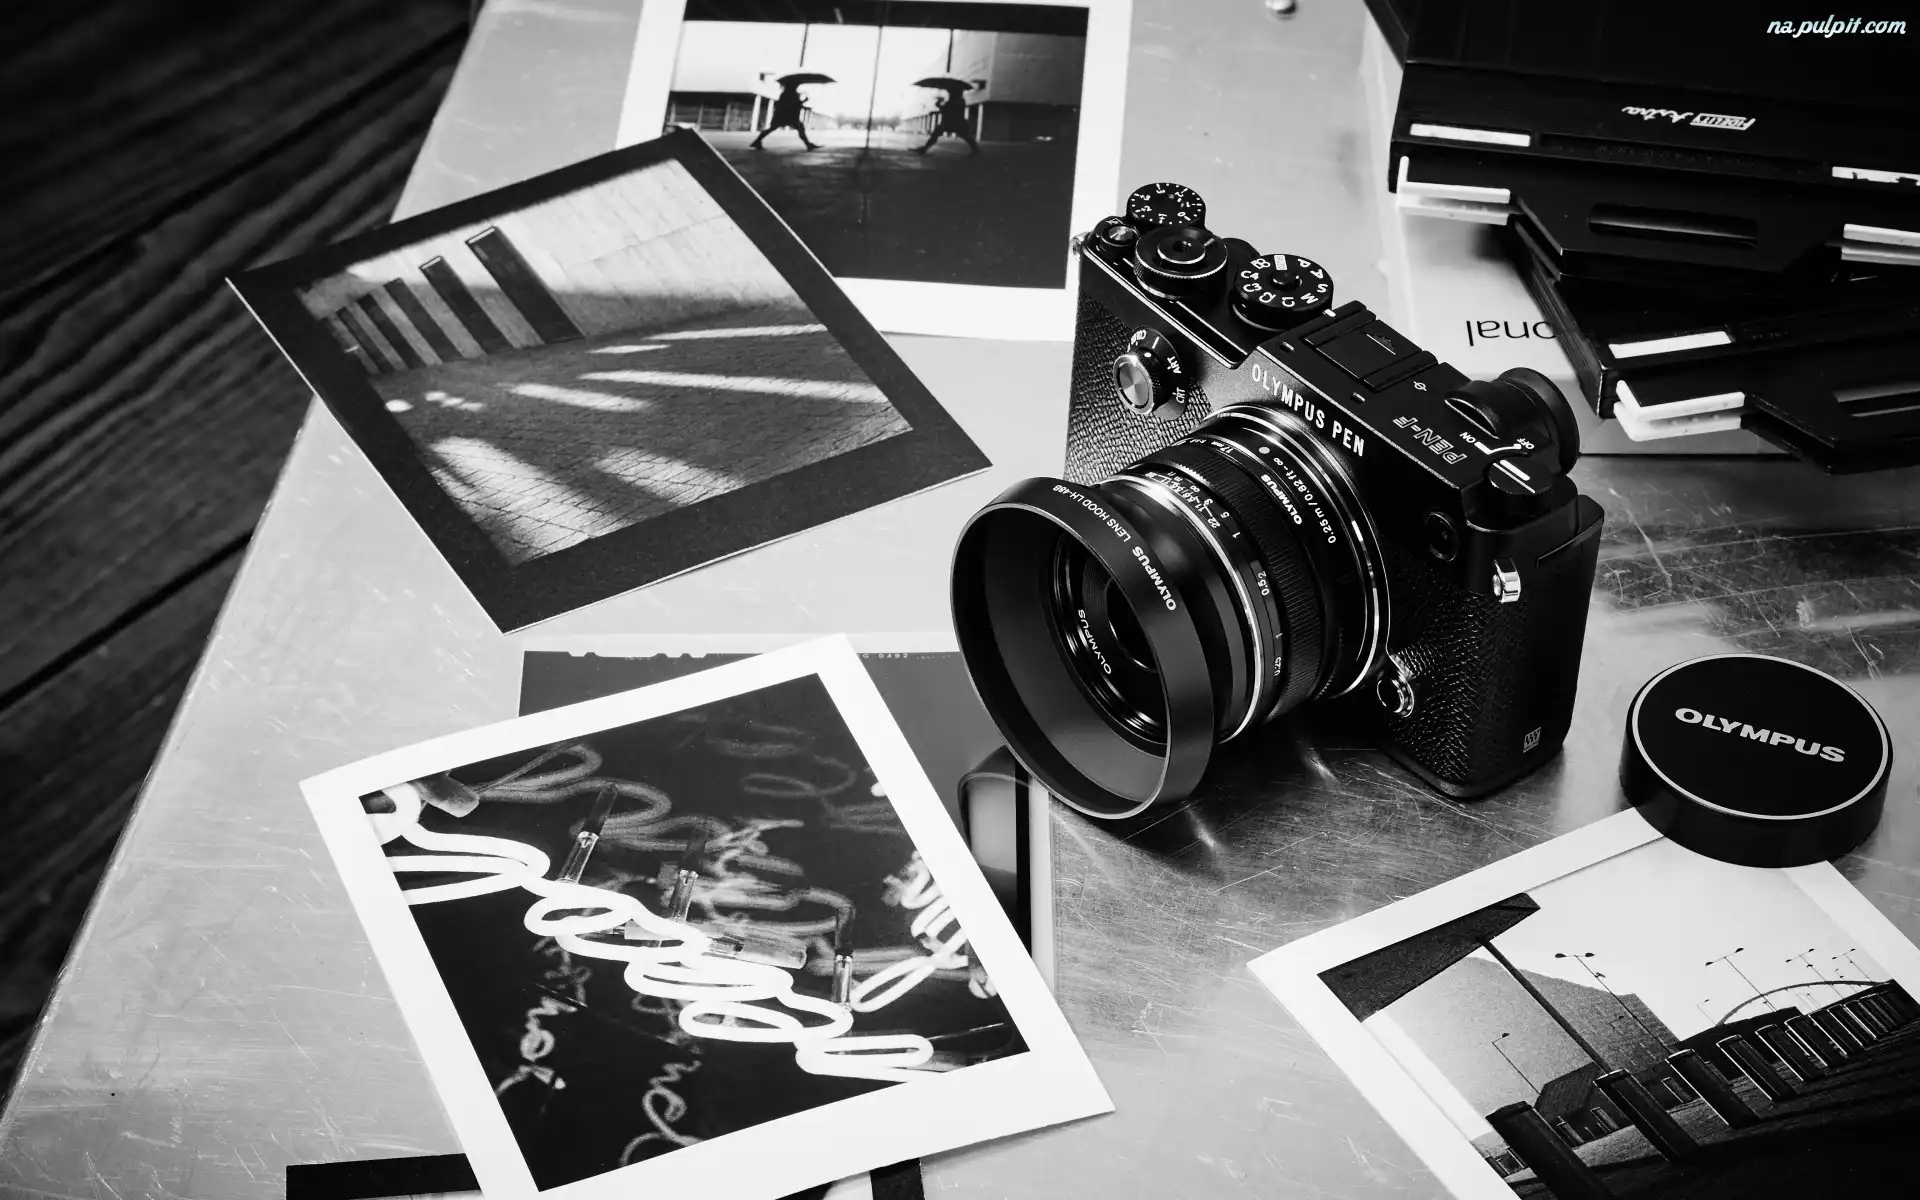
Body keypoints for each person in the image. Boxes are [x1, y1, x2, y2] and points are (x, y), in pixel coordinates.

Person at [750, 83, 819, 151]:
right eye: (796, 86)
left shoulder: (786, 94)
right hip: (787, 116)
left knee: (772, 128)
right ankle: (808, 145)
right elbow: (793, 105)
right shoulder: (790, 94)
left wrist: (800, 101)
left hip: (782, 115)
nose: (797, 87)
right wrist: (803, 101)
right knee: (800, 128)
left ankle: (757, 141)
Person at [913, 91, 979, 157]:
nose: (949, 95)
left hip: (951, 123)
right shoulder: (959, 101)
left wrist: (939, 104)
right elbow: (946, 110)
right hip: (954, 123)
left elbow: (946, 111)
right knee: (966, 136)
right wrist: (940, 104)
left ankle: (924, 149)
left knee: (965, 136)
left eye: (950, 93)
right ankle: (976, 151)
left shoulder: (955, 101)